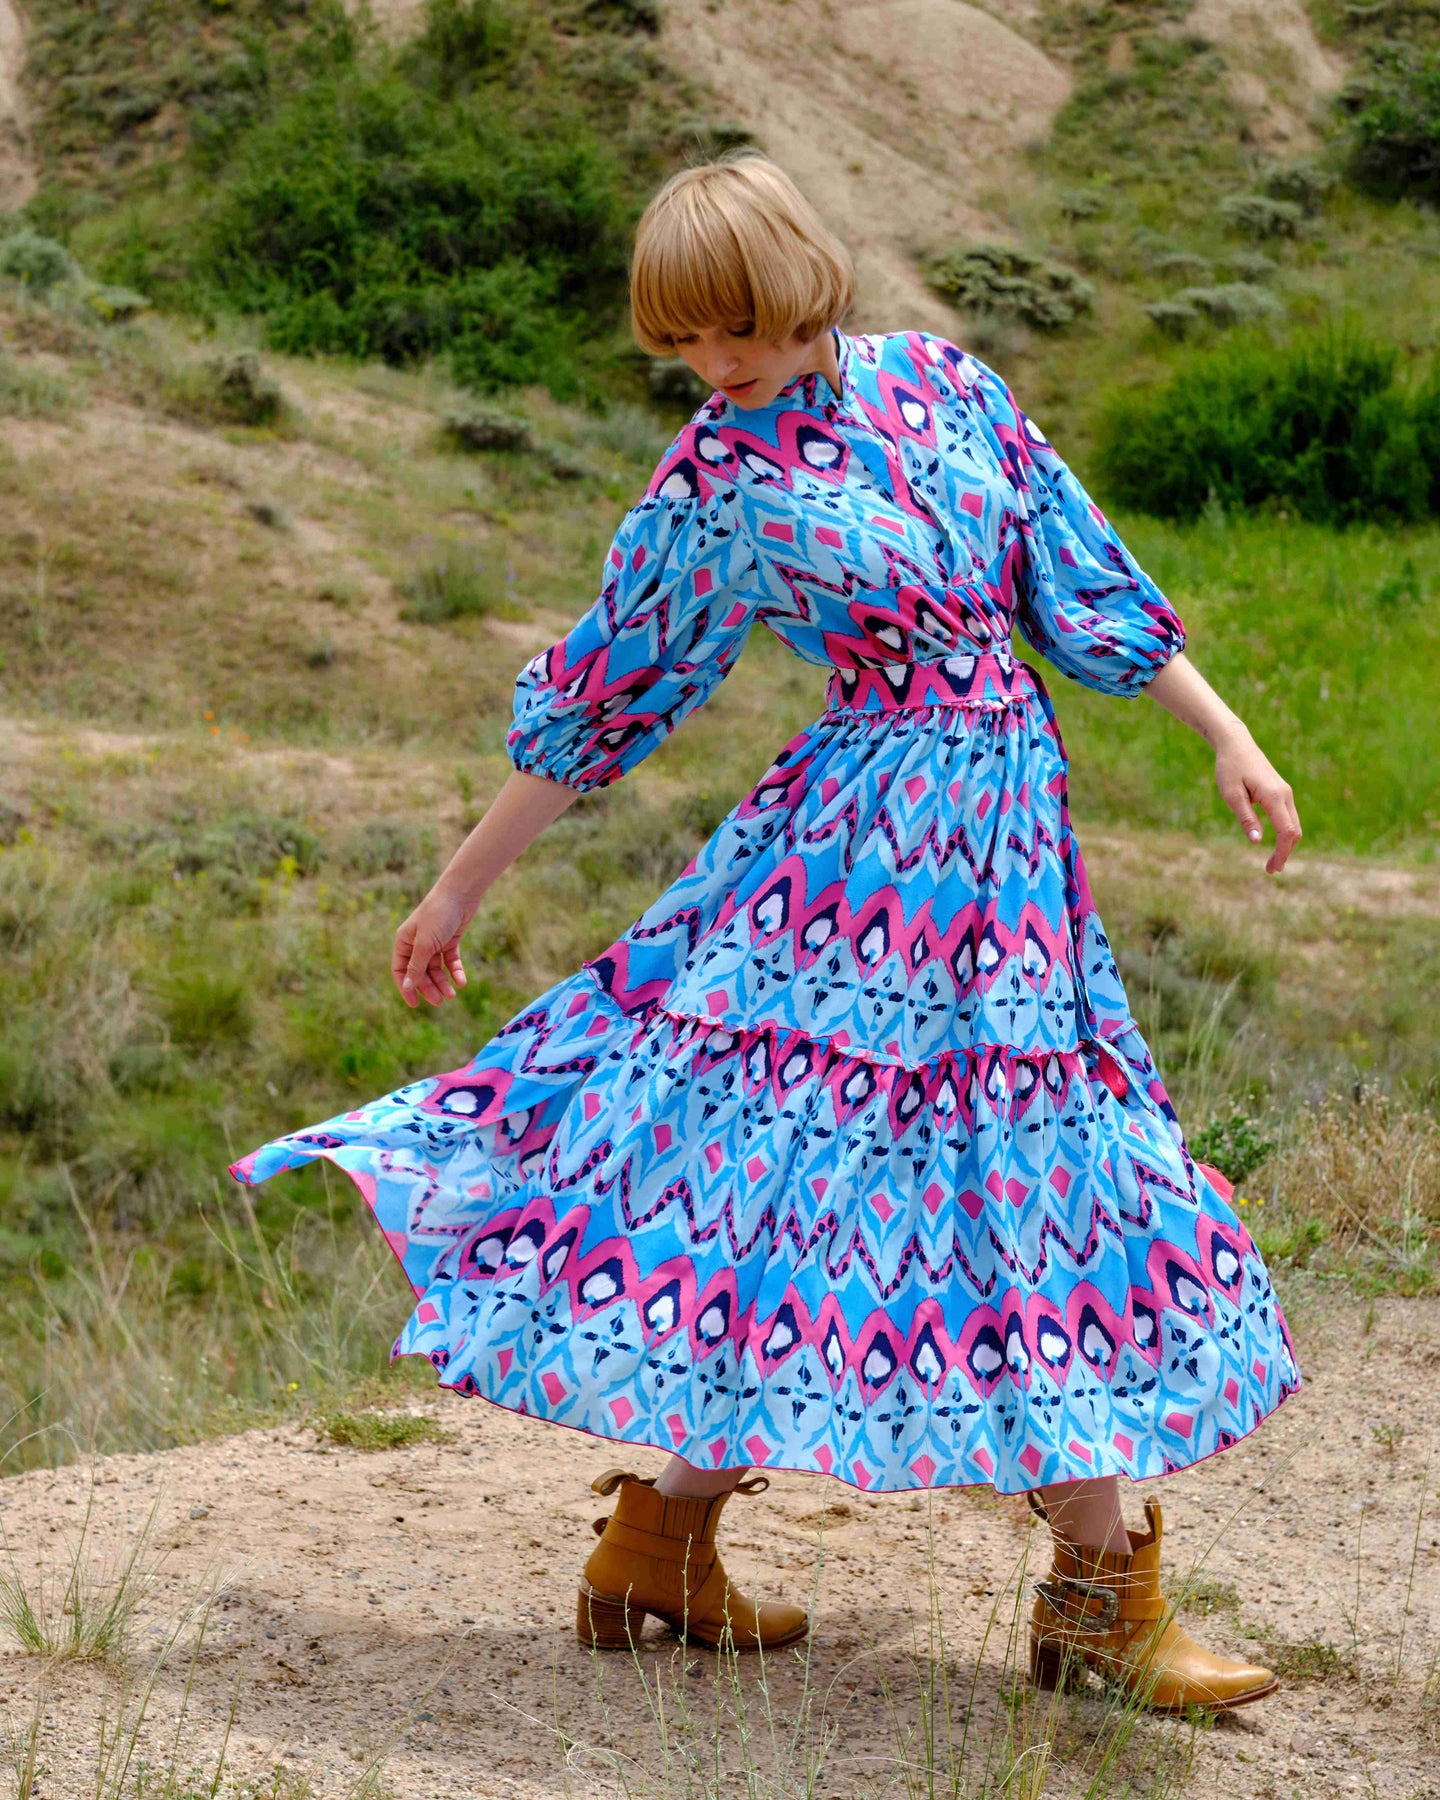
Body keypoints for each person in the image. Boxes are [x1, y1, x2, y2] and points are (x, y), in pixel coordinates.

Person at [230, 153, 1303, 1710]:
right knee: (896, 1186)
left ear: (806, 284)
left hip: (1003, 859)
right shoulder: (714, 481)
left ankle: (664, 1542)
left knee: (975, 1184)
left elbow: (1078, 578)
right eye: (683, 339)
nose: (714, 363)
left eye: (736, 326)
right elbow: (607, 696)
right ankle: (1094, 1600)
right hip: (862, 872)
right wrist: (457, 887)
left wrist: (1228, 734)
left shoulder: (948, 386)